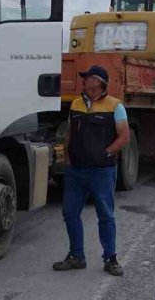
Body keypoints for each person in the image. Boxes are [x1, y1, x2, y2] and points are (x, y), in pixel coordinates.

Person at [54, 65, 130, 276]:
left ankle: (110, 258)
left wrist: (107, 153)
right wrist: (67, 159)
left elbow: (124, 136)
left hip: (102, 171)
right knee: (70, 213)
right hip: (76, 171)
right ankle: (76, 256)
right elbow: (69, 133)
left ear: (98, 81)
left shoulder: (115, 106)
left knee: (105, 214)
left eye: (87, 78)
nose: (84, 81)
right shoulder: (77, 104)